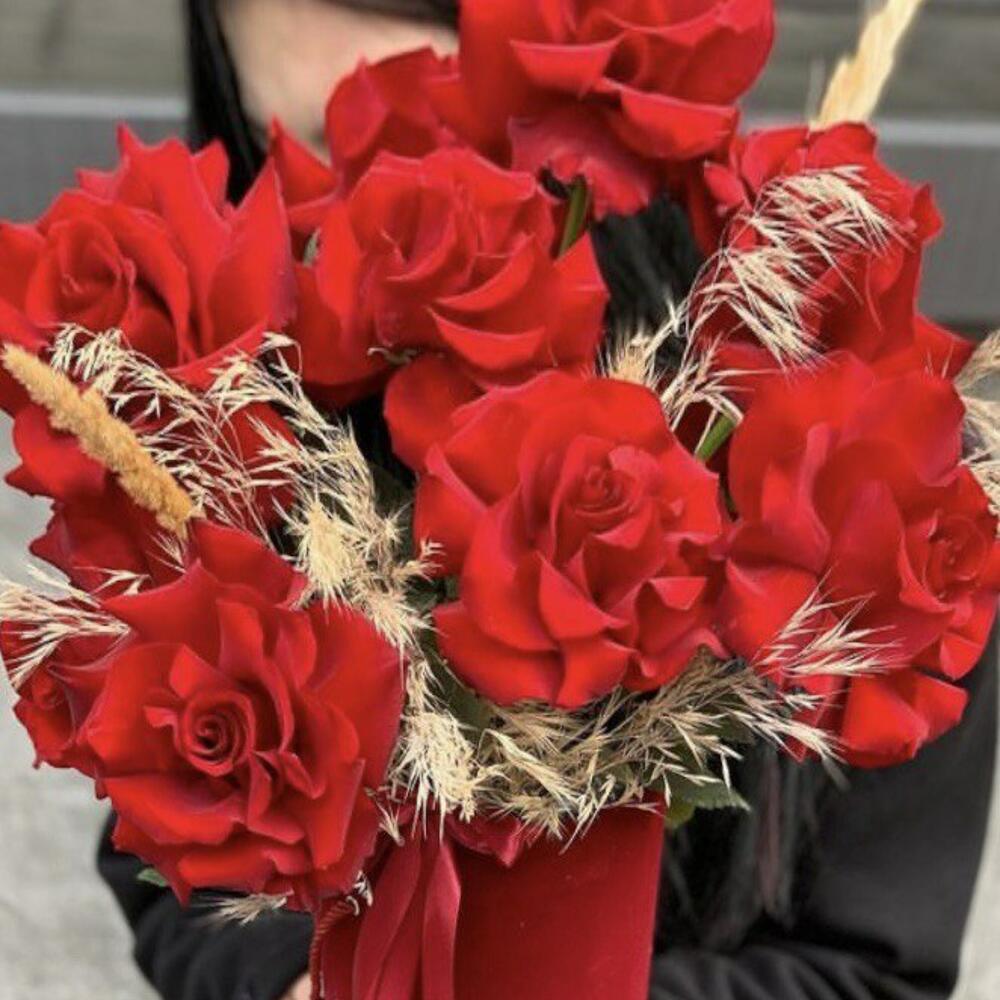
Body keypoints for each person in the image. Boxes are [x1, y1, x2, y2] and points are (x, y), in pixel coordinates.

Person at [98, 3, 999, 999]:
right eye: (302, 153)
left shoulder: (878, 475)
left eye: (426, 131)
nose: (370, 211)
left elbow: (872, 966)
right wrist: (293, 980)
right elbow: (161, 820)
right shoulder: (258, 422)